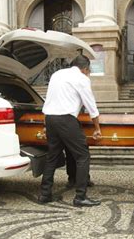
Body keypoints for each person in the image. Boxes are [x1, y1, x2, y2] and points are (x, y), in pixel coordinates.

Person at [39, 55, 102, 207]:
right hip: (66, 119)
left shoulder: (57, 74)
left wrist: (45, 124)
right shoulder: (82, 78)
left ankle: (45, 194)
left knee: (52, 156)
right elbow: (90, 104)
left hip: (50, 118)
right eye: (88, 71)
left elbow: (49, 99)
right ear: (85, 69)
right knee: (82, 156)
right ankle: (80, 196)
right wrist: (97, 128)